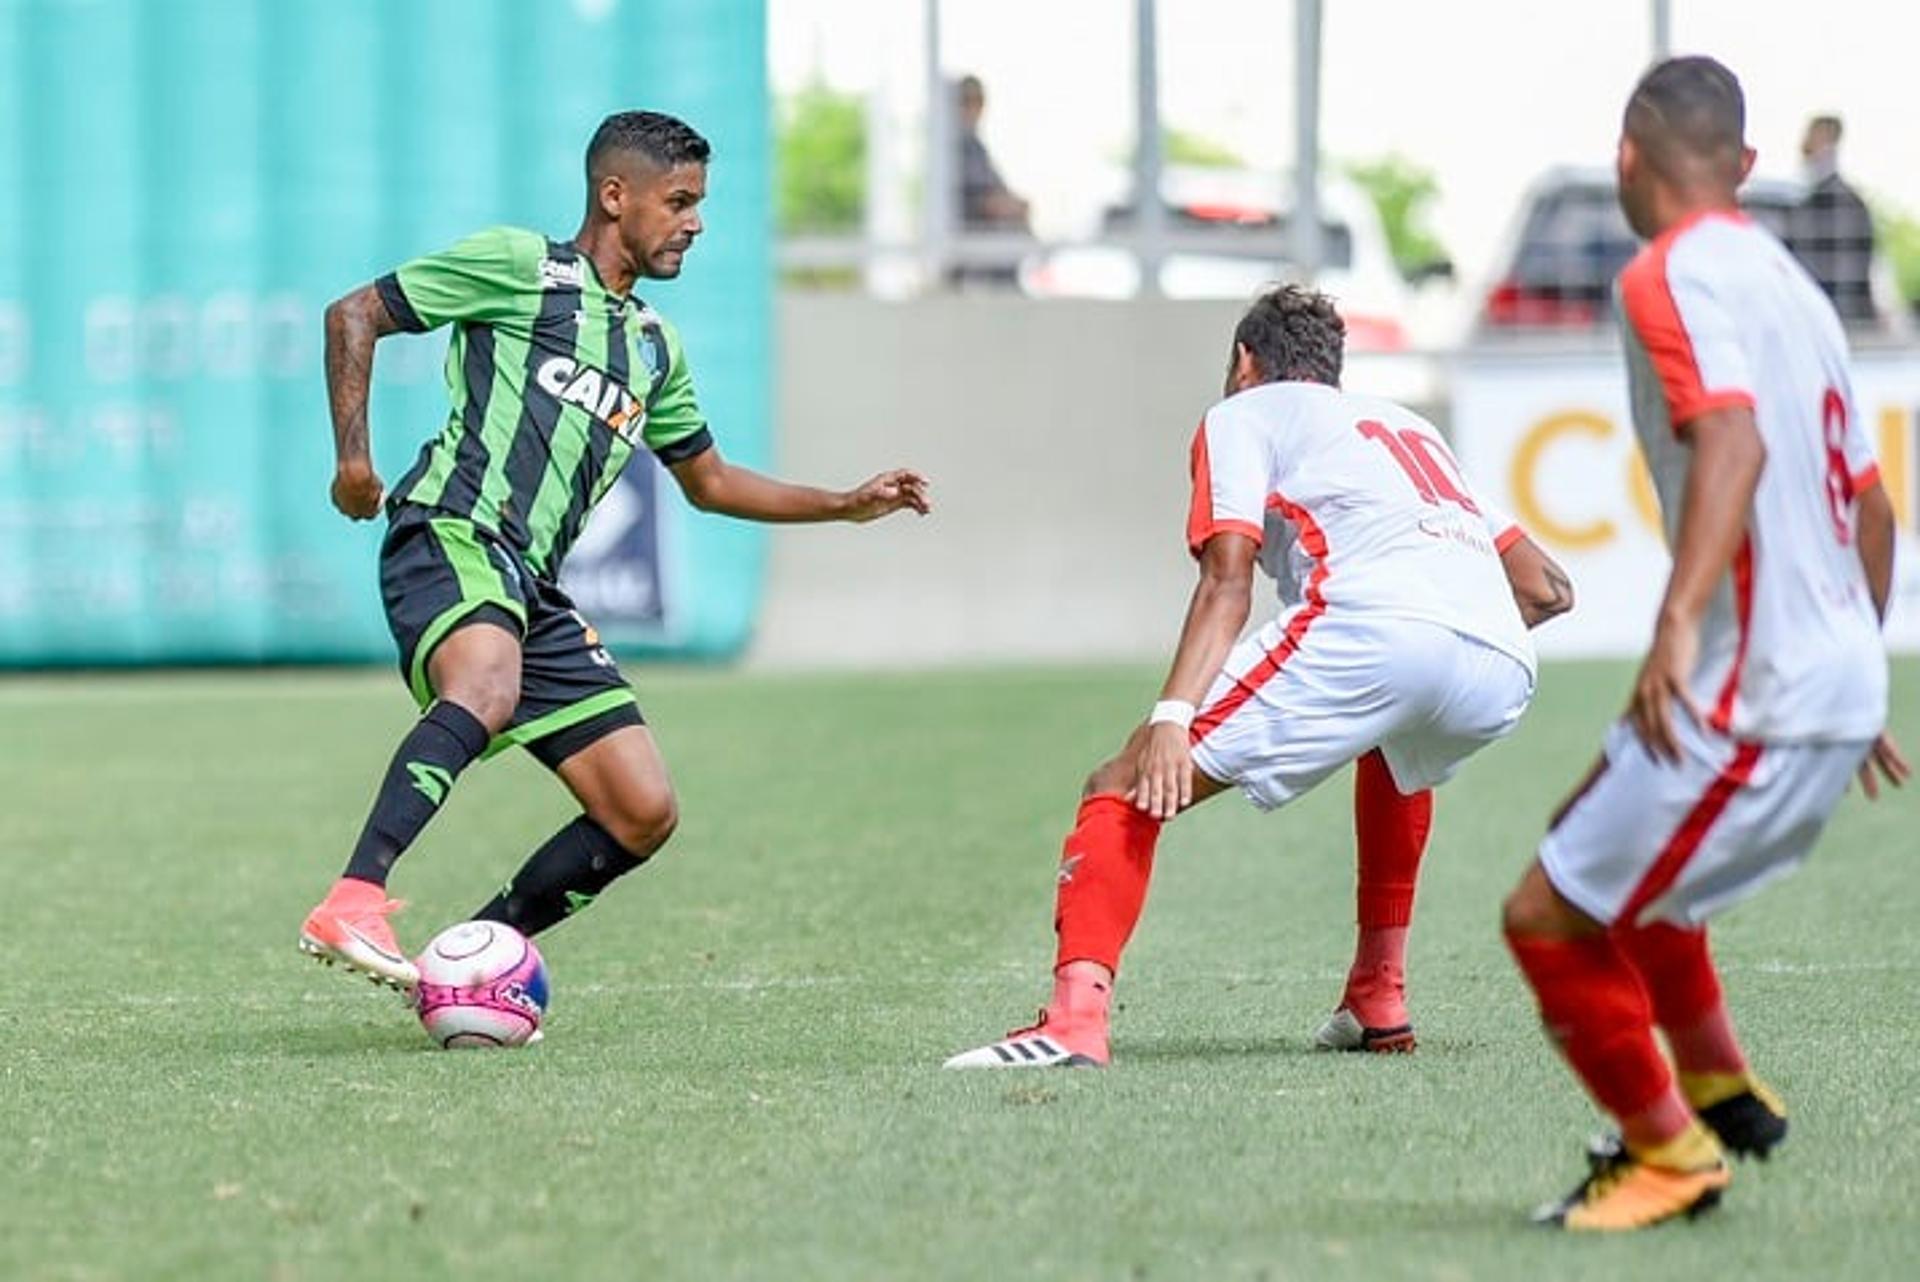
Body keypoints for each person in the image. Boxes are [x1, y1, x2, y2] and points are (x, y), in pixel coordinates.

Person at [298, 111, 931, 991]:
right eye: (678, 201)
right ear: (613, 196)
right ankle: (356, 897)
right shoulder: (523, 266)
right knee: (484, 684)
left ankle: (473, 963)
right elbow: (353, 314)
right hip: (450, 531)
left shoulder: (653, 349)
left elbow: (707, 482)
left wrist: (844, 504)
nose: (695, 222)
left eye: (700, 204)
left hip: (532, 586)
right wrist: (354, 462)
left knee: (642, 809)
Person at [945, 284, 1566, 1071]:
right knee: (1395, 753)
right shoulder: (1406, 426)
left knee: (1123, 781)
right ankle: (1378, 994)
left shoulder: (1244, 413)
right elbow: (1548, 588)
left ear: (1246, 362)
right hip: (1504, 662)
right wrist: (1444, 639)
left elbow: (1228, 578)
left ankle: (1073, 1022)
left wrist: (1173, 714)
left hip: (1372, 625)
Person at [1503, 57, 1907, 1233]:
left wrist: (1674, 627)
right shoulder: (1797, 288)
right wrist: (1850, 667)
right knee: (1632, 883)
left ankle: (1668, 1148)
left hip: (1752, 694)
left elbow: (1728, 442)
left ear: (1628, 159)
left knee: (1548, 912)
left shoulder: (1661, 274)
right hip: (1819, 685)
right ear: (1744, 166)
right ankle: (1724, 1089)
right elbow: (1872, 508)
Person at [1784, 114, 1877, 325]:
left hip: (1836, 321)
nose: (1804, 145)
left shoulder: (1839, 203)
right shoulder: (1812, 200)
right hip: (1835, 321)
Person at [955, 75, 1030, 232]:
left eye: (978, 102)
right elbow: (977, 202)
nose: (974, 109)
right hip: (971, 236)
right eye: (967, 102)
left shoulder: (977, 148)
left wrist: (1013, 204)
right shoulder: (952, 150)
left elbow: (999, 190)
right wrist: (997, 205)